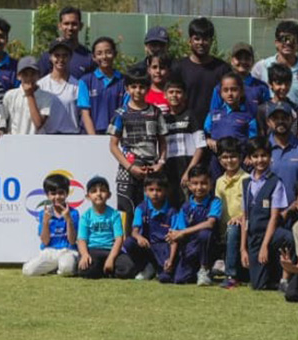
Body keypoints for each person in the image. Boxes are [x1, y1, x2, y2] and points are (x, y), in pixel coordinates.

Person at [109, 70, 166, 216]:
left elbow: (163, 141)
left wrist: (160, 163)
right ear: (127, 88)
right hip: (127, 171)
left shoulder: (156, 112)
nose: (138, 91)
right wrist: (130, 167)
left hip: (151, 170)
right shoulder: (120, 113)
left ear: (148, 88)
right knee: (126, 212)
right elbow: (113, 145)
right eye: (133, 86)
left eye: (141, 87)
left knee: (150, 212)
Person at [240, 143, 290, 291]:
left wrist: (264, 246)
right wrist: (243, 249)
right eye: (255, 156)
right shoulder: (246, 183)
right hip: (254, 237)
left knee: (290, 238)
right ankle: (272, 278)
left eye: (263, 155)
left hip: (271, 234)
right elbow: (245, 217)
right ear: (249, 159)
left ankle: (287, 278)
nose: (260, 160)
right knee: (258, 285)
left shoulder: (276, 182)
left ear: (270, 157)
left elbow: (274, 217)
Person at [164, 165, 222, 285]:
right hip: (191, 247)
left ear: (211, 184)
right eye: (195, 183)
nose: (199, 187)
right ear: (189, 185)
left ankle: (205, 269)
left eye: (203, 183)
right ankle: (198, 271)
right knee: (179, 279)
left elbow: (210, 223)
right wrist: (173, 237)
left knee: (205, 234)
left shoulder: (215, 201)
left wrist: (183, 232)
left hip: (209, 246)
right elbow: (178, 231)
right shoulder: (185, 207)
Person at [173, 17, 230, 129]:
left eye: (205, 39)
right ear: (190, 41)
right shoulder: (179, 67)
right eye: (197, 39)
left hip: (215, 129)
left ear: (211, 41)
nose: (201, 43)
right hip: (185, 128)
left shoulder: (222, 69)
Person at [117, 172, 172, 281]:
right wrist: (139, 237)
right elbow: (134, 231)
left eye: (159, 190)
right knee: (129, 242)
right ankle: (146, 267)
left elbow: (175, 236)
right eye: (151, 190)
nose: (155, 193)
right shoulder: (141, 208)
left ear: (165, 191)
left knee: (165, 278)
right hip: (148, 246)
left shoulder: (172, 211)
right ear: (146, 191)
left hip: (164, 248)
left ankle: (160, 269)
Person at [23, 173, 77, 277]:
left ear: (67, 193)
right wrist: (45, 221)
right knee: (27, 270)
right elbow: (45, 241)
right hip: (49, 251)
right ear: (47, 195)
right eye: (53, 193)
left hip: (68, 251)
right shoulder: (44, 214)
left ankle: (58, 267)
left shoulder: (73, 213)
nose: (57, 197)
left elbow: (72, 241)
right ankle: (55, 267)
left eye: (61, 193)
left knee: (66, 268)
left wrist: (68, 220)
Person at [254, 21, 298, 109]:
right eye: (283, 39)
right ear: (276, 42)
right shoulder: (262, 67)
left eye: (292, 39)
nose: (287, 43)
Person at [160, 79, 204, 204]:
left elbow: (200, 147)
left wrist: (189, 171)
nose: (174, 95)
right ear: (165, 95)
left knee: (189, 204)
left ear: (185, 95)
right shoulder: (162, 119)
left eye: (178, 92)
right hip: (169, 169)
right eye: (171, 92)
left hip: (188, 167)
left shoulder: (192, 115)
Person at [213, 140, 249, 285]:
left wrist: (240, 217)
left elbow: (251, 207)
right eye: (225, 157)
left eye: (233, 156)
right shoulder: (219, 181)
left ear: (240, 157)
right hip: (222, 227)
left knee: (233, 228)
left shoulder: (247, 179)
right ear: (219, 159)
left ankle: (230, 276)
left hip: (241, 226)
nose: (229, 160)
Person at [76, 176, 126, 278]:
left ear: (109, 195)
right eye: (94, 191)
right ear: (88, 196)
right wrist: (85, 255)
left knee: (127, 268)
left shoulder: (114, 215)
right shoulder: (86, 216)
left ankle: (106, 268)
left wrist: (111, 258)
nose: (98, 194)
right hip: (92, 250)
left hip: (110, 250)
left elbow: (119, 239)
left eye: (102, 190)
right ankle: (105, 270)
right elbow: (81, 239)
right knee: (85, 269)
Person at [78, 37, 126, 135]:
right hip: (90, 135)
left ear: (115, 54)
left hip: (116, 136)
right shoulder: (85, 81)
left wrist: (115, 136)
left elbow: (126, 111)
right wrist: (94, 139)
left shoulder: (124, 81)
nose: (104, 57)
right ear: (94, 57)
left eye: (108, 52)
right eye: (99, 53)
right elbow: (85, 113)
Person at [37, 41, 83, 135]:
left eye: (64, 55)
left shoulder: (77, 85)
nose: (61, 59)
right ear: (50, 57)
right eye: (57, 55)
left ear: (70, 57)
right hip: (47, 137)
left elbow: (82, 115)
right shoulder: (41, 85)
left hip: (71, 136)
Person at [39, 7, 94, 80]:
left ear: (81, 26)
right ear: (59, 26)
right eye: (66, 24)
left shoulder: (88, 58)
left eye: (74, 24)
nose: (70, 28)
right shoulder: (48, 56)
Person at [3, 57, 51, 135]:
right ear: (18, 76)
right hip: (15, 140)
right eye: (25, 74)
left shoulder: (46, 97)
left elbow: (38, 124)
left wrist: (30, 95)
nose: (29, 78)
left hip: (37, 141)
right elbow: (3, 121)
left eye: (33, 74)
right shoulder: (10, 95)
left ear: (38, 75)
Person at [226, 44, 271, 110]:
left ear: (252, 61)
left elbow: (267, 112)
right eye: (239, 58)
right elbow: (214, 112)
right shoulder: (222, 87)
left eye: (247, 58)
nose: (243, 61)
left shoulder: (262, 87)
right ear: (232, 61)